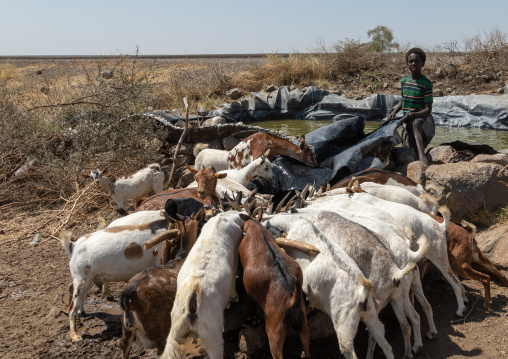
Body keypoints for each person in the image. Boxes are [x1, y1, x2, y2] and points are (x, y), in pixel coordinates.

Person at [387, 47, 435, 166]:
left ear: (422, 63)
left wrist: (414, 115)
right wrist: (394, 112)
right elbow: (403, 99)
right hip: (407, 118)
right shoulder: (404, 81)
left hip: (422, 118)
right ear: (407, 63)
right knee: (390, 125)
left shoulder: (426, 83)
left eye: (417, 61)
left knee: (413, 123)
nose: (413, 64)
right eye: (411, 61)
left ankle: (422, 156)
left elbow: (428, 110)